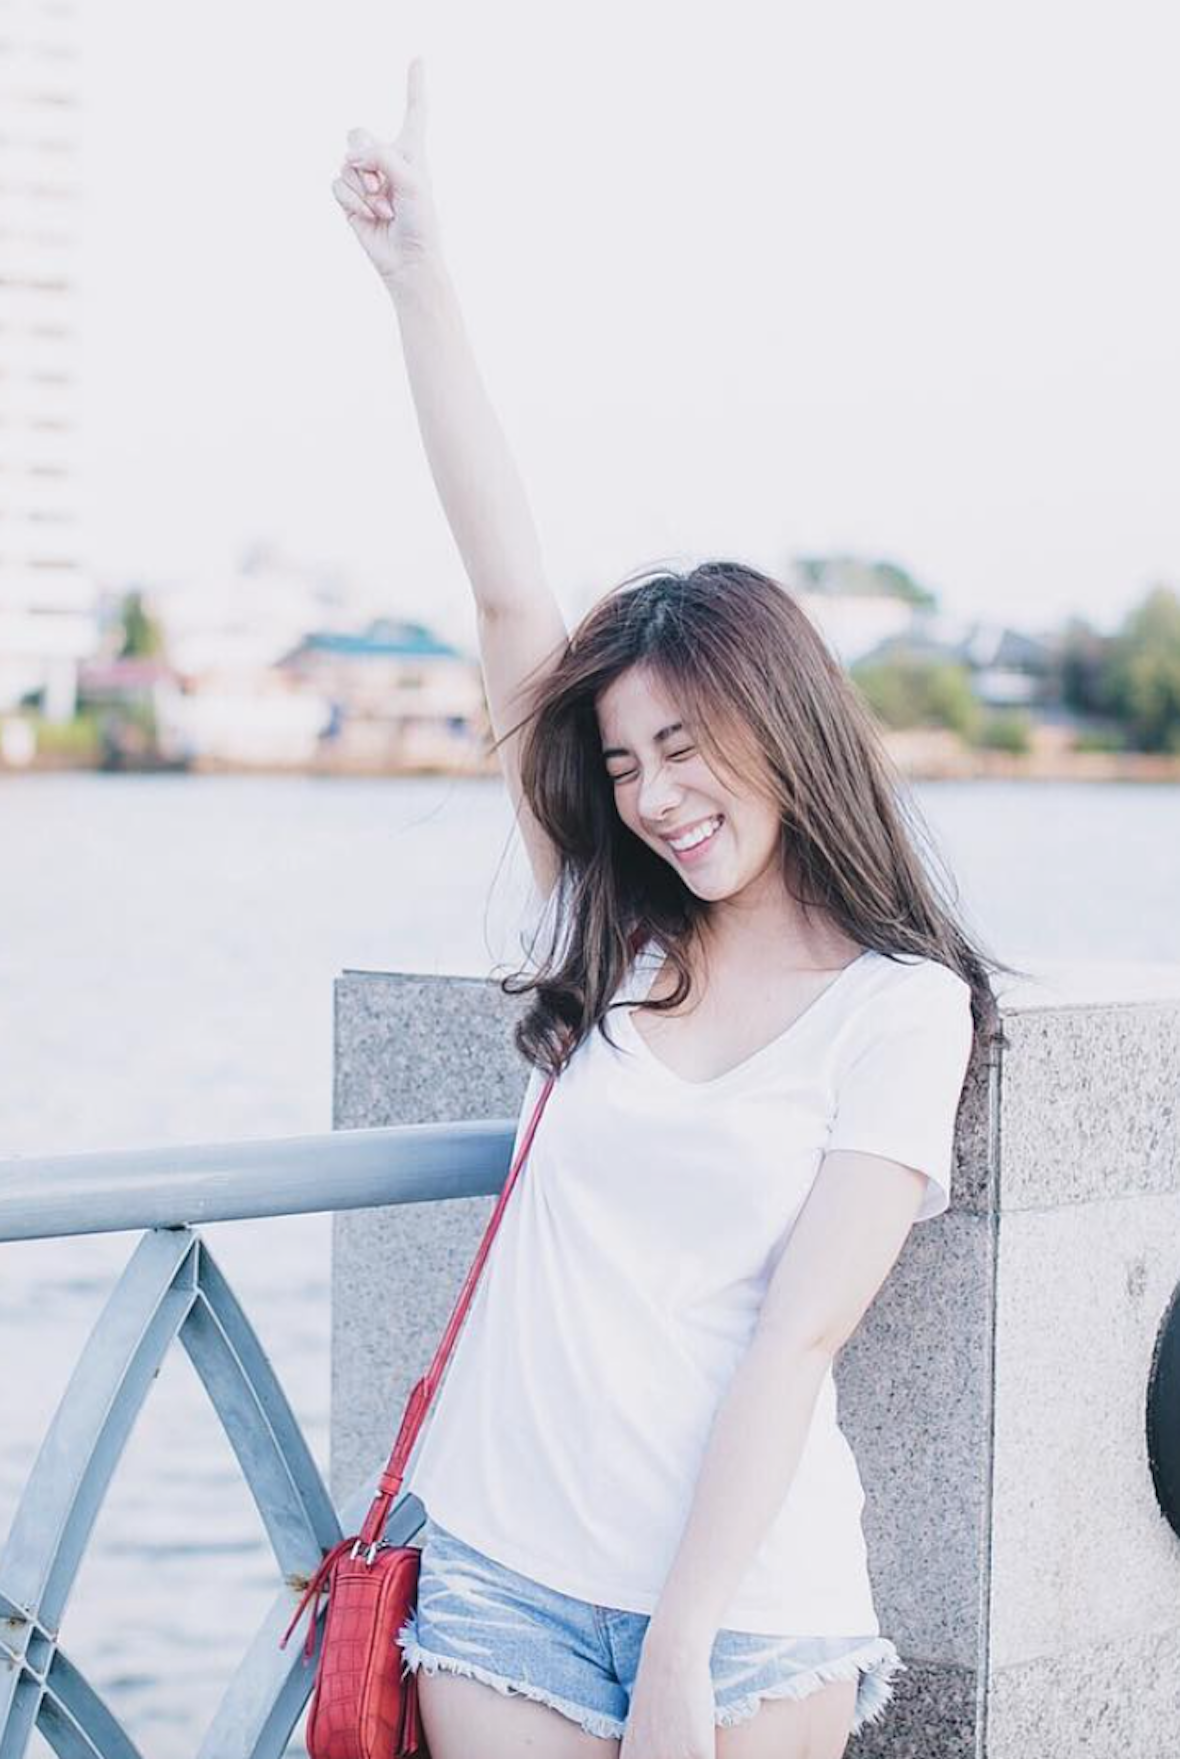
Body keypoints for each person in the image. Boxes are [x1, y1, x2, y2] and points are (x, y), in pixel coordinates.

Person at [333, 60, 1019, 1759]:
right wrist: (421, 277)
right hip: (503, 1581)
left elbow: (799, 1335)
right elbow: (510, 594)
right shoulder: (621, 934)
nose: (654, 794)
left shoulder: (899, 1008)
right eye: (629, 759)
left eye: (690, 747)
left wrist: (681, 1647)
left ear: (782, 728)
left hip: (752, 1616)